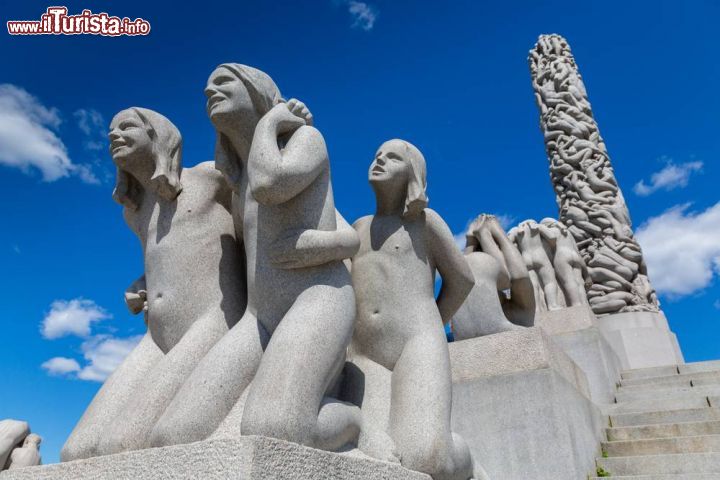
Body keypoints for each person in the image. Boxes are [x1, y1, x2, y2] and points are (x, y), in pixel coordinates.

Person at [151, 64, 360, 451]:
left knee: (278, 424)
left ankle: (354, 416)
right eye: (207, 86)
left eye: (223, 81)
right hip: (259, 316)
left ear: (258, 91)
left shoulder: (306, 140)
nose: (209, 89)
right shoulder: (238, 182)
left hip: (318, 297)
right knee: (171, 436)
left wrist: (271, 122)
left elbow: (271, 186)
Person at [62, 107, 247, 459]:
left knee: (128, 443)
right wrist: (142, 283)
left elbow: (261, 210)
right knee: (77, 450)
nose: (114, 136)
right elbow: (168, 254)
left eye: (126, 127)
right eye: (110, 132)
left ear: (157, 133)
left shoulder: (209, 178)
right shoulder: (134, 211)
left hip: (211, 322)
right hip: (158, 336)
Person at [347, 139, 480, 480]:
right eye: (376, 155)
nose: (379, 161)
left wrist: (432, 324)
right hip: (364, 355)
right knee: (377, 456)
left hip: (416, 344)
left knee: (426, 458)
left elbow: (461, 279)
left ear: (413, 174)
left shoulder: (424, 222)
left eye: (391, 158)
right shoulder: (358, 228)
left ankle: (465, 460)